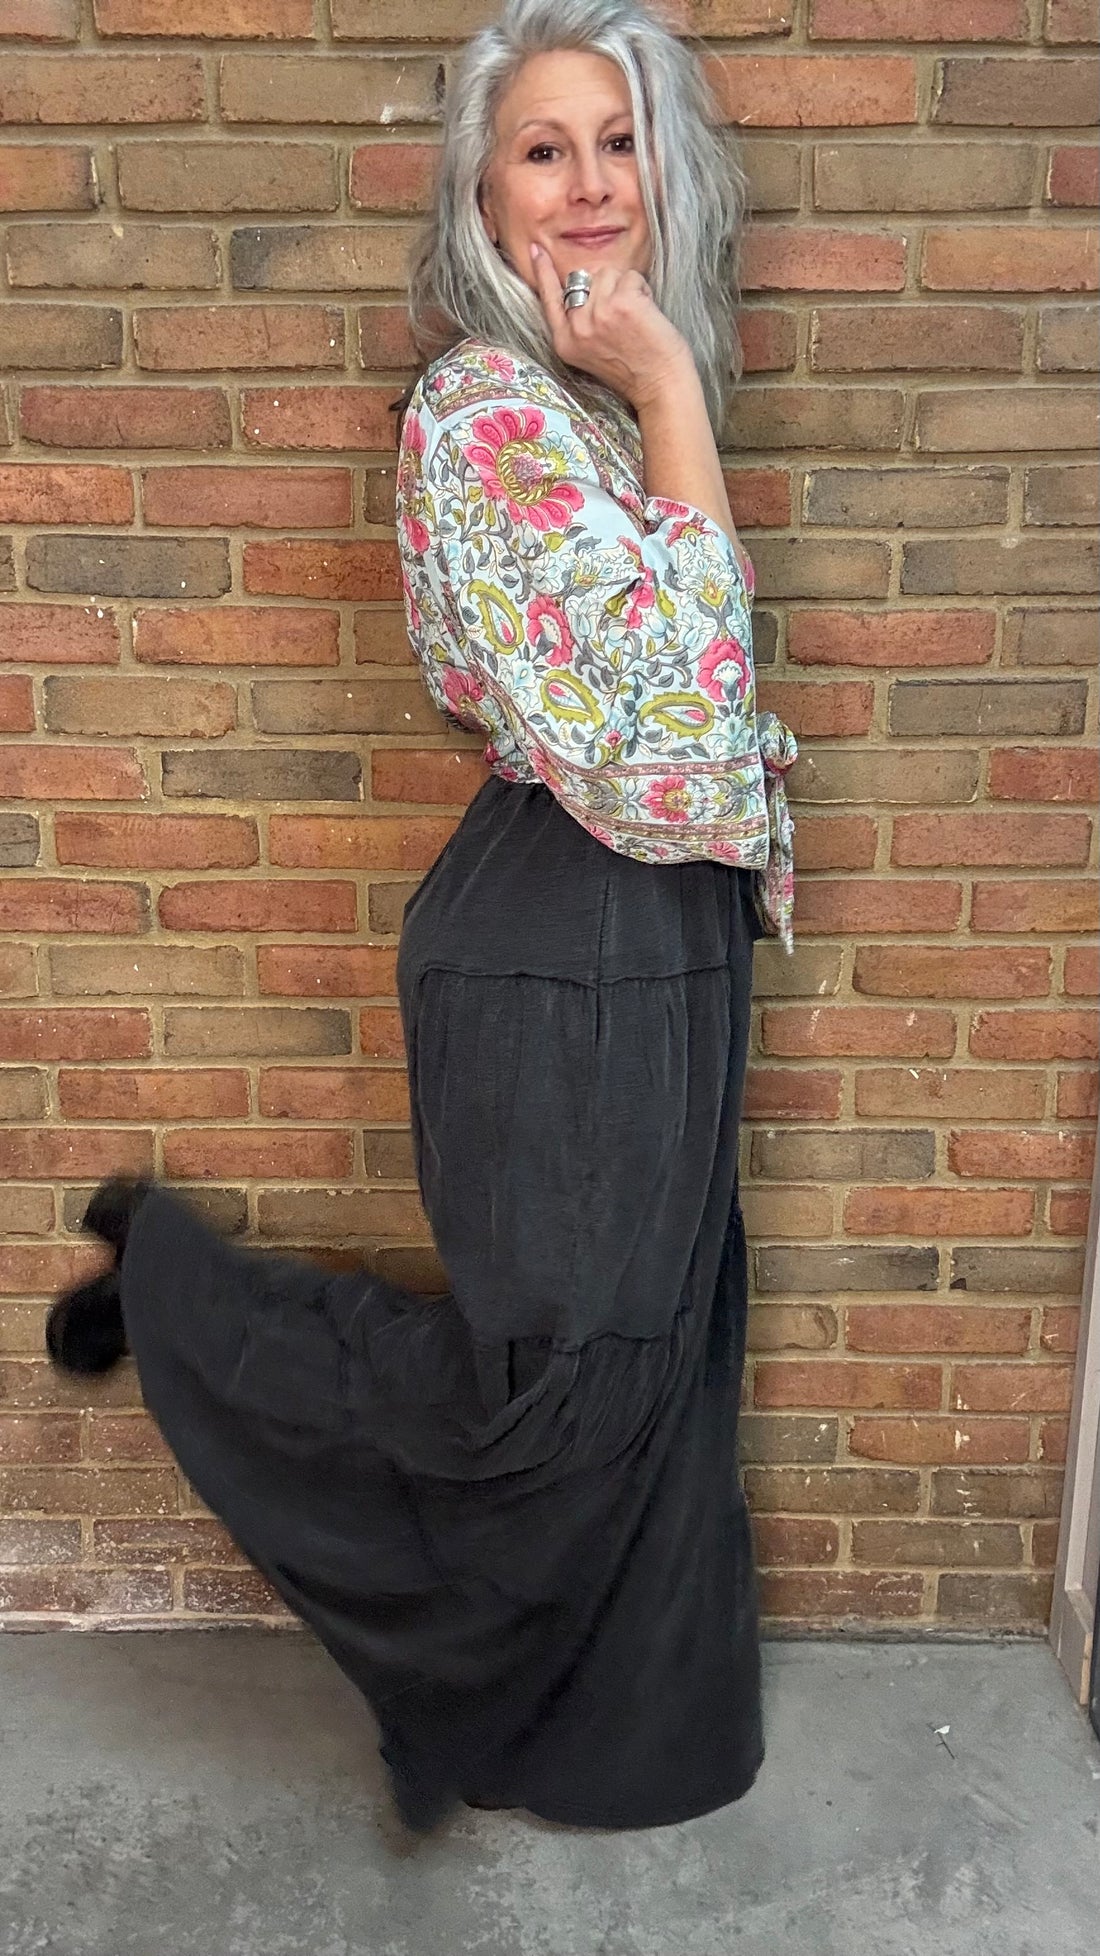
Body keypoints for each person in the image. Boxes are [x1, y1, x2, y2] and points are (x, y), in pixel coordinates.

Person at [46, 0, 796, 1835]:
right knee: (552, 1395)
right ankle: (181, 1289)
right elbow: (680, 729)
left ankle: (638, 1738)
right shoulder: (487, 415)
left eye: (618, 140)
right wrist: (681, 392)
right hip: (567, 946)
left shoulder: (583, 412)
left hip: (654, 937)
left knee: (660, 1346)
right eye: (545, 147)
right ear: (480, 193)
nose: (592, 182)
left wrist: (652, 397)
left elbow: (681, 736)